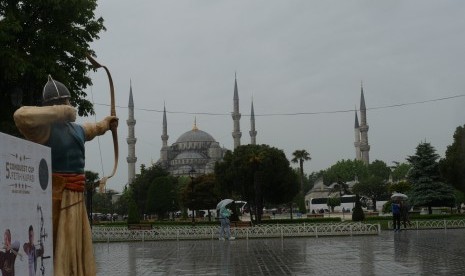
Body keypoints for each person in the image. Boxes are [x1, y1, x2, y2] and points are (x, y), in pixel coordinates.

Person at [14, 75, 118, 276]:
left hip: (77, 194)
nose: (71, 106)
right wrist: (61, 112)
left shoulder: (77, 130)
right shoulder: (44, 130)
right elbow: (20, 116)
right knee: (59, 242)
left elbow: (94, 128)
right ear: (59, 105)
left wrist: (107, 123)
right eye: (67, 102)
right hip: (57, 196)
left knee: (78, 242)